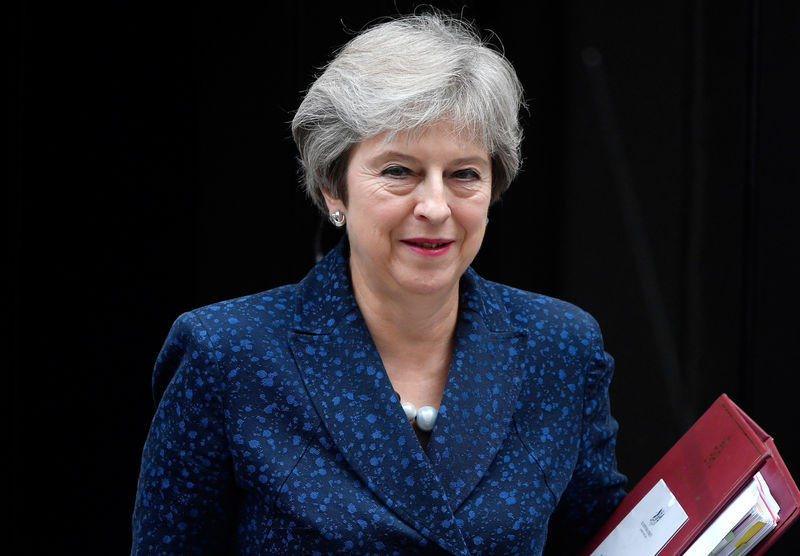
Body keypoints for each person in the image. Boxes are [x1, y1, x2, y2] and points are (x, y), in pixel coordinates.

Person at [131, 12, 626, 555]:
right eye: (398, 171)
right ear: (332, 189)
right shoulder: (227, 354)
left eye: (464, 174)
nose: (436, 207)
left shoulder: (561, 348)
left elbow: (604, 542)